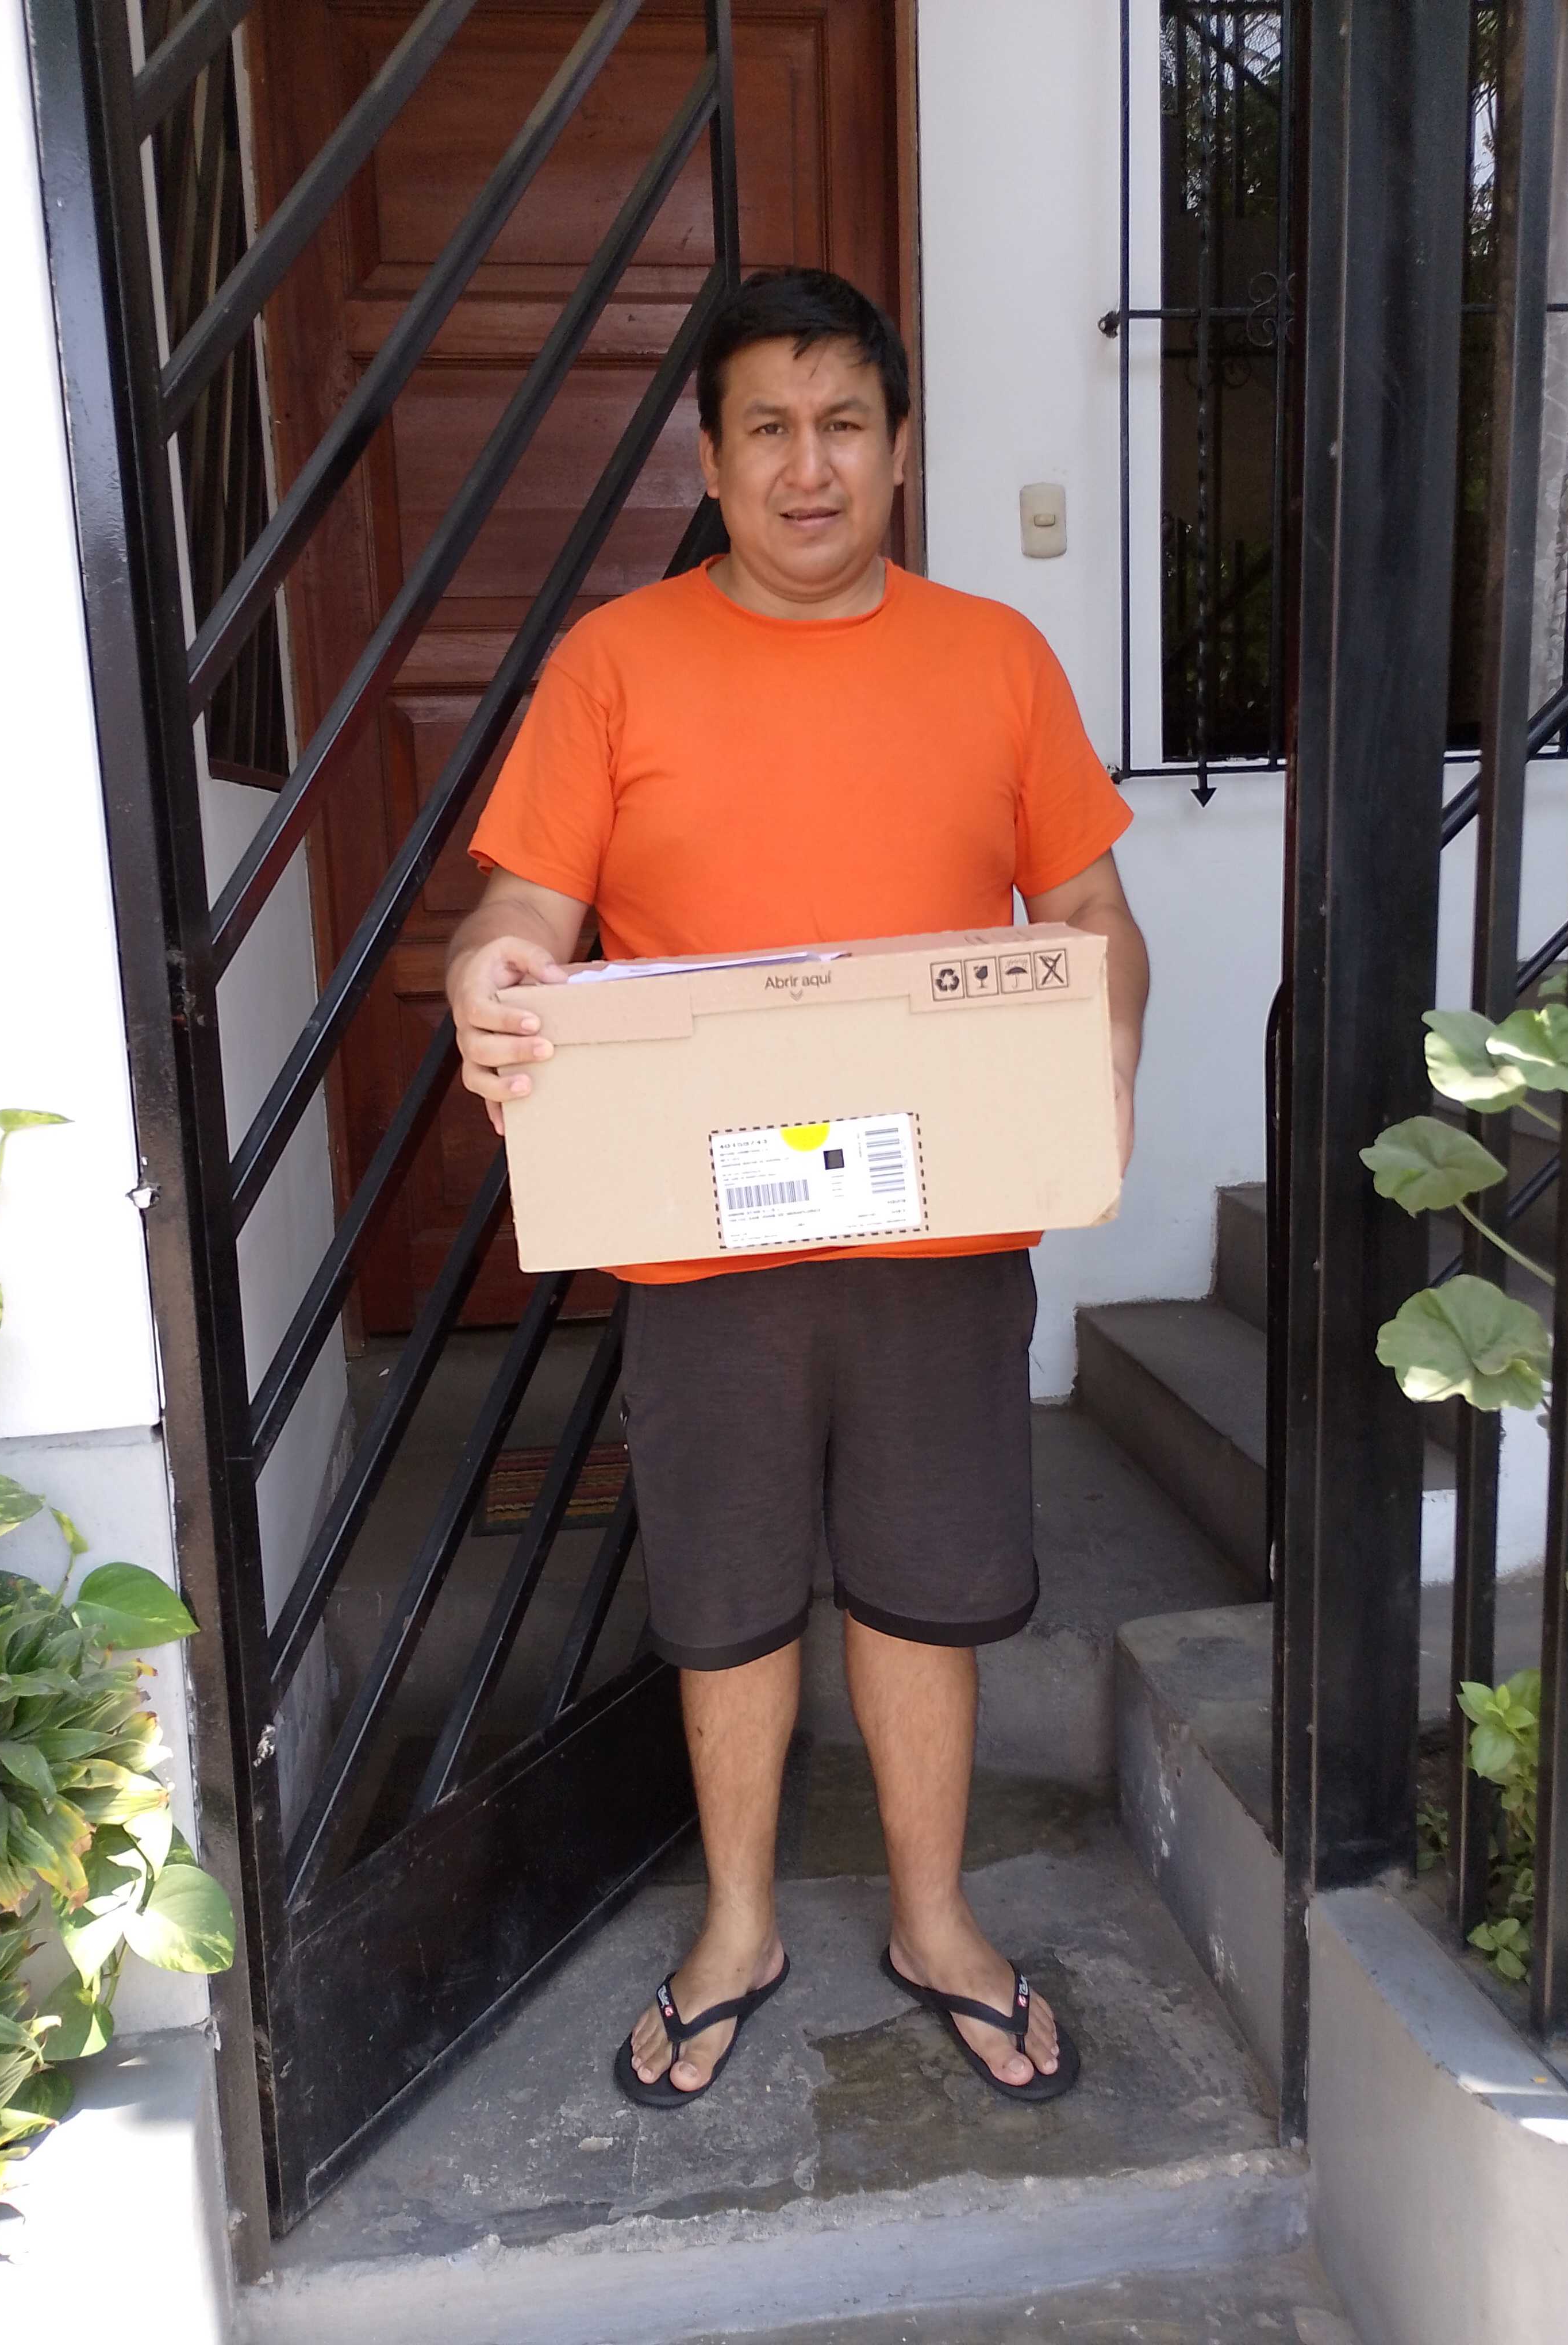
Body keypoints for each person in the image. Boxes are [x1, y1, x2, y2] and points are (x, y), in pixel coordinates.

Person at [444, 268, 1148, 2109]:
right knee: (730, 1590)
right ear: (710, 457)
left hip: (940, 1221)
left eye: (844, 425)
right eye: (768, 427)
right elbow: (525, 906)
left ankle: (934, 1919)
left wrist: (1102, 1059)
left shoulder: (996, 658)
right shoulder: (615, 663)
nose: (808, 466)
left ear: (900, 450)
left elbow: (1089, 910)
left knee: (927, 1585)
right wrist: (490, 973)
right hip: (703, 1236)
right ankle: (739, 1926)